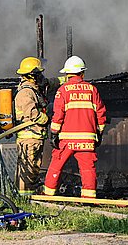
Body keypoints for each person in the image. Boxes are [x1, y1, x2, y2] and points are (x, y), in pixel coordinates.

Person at [43, 55, 107, 199]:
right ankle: (89, 199)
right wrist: (100, 133)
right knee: (87, 169)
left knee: (56, 166)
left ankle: (48, 196)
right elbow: (101, 113)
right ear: (82, 73)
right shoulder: (92, 90)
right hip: (87, 139)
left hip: (66, 139)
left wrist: (53, 133)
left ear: (67, 74)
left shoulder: (63, 90)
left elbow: (58, 115)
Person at [14, 56, 51, 196]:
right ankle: (24, 198)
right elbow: (33, 114)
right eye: (38, 74)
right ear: (31, 76)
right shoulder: (26, 92)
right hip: (29, 137)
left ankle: (27, 194)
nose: (41, 76)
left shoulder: (33, 89)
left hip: (34, 137)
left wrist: (66, 80)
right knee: (28, 169)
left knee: (33, 168)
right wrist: (47, 119)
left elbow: (49, 83)